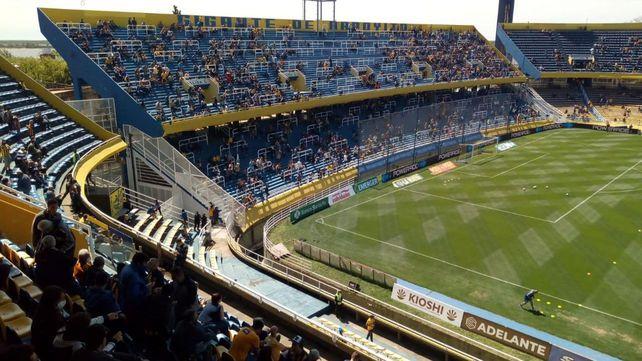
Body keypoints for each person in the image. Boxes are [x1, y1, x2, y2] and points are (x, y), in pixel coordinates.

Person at [31, 286, 67, 361]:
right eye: (62, 299)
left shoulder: (41, 308)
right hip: (47, 350)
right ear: (54, 301)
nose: (64, 301)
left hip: (37, 344)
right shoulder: (53, 317)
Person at [118, 252, 149, 336]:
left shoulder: (126, 268)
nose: (146, 265)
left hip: (123, 304)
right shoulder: (134, 276)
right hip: (131, 310)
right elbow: (134, 297)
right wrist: (147, 289)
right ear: (139, 263)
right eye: (145, 263)